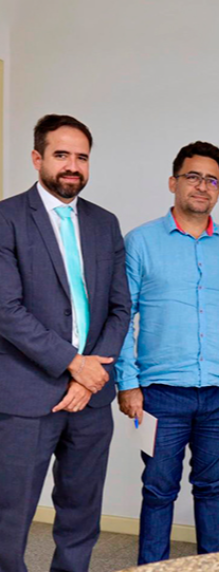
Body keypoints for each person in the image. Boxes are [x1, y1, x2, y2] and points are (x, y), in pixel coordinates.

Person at [115, 141, 219, 564]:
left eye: (211, 180)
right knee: (159, 492)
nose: (202, 186)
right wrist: (128, 383)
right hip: (161, 394)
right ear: (173, 182)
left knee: (214, 489)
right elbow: (120, 316)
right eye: (193, 176)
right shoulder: (140, 241)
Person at [0, 115, 131, 572]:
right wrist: (74, 364)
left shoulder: (105, 223)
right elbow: (6, 309)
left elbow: (121, 308)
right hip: (27, 394)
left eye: (81, 157)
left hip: (90, 398)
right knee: (9, 517)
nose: (72, 166)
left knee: (81, 512)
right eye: (61, 155)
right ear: (37, 158)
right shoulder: (6, 218)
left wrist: (89, 376)